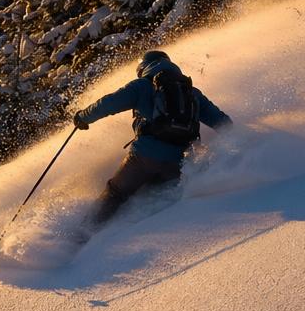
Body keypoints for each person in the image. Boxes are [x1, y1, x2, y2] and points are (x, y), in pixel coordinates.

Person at [72, 49, 231, 224]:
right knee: (154, 193)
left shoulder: (141, 86)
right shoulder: (192, 92)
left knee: (116, 192)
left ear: (143, 68)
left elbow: (108, 104)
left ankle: (85, 232)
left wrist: (83, 117)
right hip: (177, 164)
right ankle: (147, 228)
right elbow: (222, 122)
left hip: (143, 158)